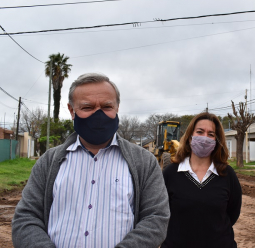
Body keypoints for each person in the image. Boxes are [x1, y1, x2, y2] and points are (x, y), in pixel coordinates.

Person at [12, 73, 170, 248]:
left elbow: (156, 218)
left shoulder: (144, 162)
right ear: (72, 111)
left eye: (106, 106)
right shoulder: (48, 162)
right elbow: (26, 218)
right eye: (87, 107)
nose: (98, 114)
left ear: (117, 107)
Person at [162, 112, 242, 248]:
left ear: (216, 141)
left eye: (211, 134)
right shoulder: (170, 173)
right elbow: (162, 212)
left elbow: (232, 213)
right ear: (189, 137)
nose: (205, 138)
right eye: (200, 132)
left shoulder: (227, 175)